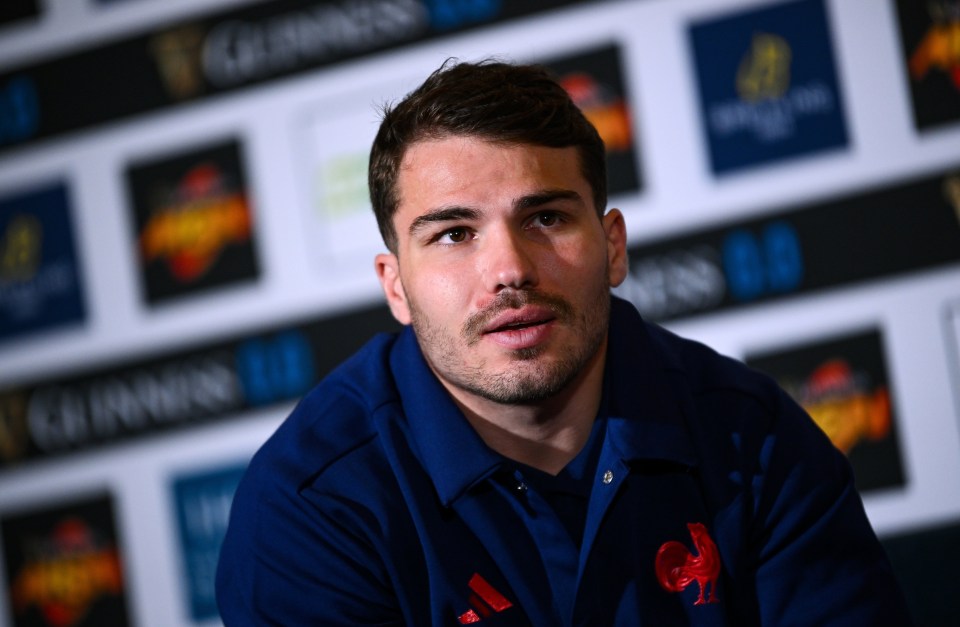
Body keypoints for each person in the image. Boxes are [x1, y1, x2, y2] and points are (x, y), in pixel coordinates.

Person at [216, 58, 912, 626]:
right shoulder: (311, 509)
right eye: (454, 234)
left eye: (545, 217)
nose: (510, 269)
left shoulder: (754, 438)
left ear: (612, 246)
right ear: (395, 285)